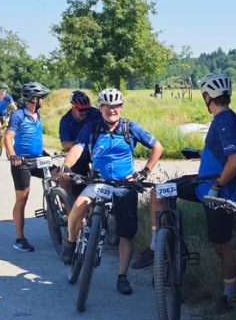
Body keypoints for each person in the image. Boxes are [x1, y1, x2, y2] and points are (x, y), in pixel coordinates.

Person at [135, 73, 236, 313]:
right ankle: (161, 245)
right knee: (160, 193)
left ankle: (229, 297)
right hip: (201, 185)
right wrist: (201, 154)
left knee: (221, 245)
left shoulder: (224, 120)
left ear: (207, 97)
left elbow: (235, 161)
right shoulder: (224, 119)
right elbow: (222, 154)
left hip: (216, 193)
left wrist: (216, 187)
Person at [59, 88, 163, 296]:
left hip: (125, 184)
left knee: (127, 232)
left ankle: (122, 277)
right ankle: (71, 244)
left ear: (121, 107)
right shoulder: (91, 127)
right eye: (107, 106)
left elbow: (157, 147)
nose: (111, 110)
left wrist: (144, 172)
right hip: (98, 181)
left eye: (115, 106)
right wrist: (66, 167)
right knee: (78, 208)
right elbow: (77, 149)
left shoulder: (130, 127)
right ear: (101, 108)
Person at [5, 82, 51, 252]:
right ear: (34, 99)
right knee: (22, 198)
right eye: (42, 98)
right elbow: (8, 137)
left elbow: (35, 138)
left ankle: (66, 223)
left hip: (39, 159)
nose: (43, 101)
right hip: (22, 163)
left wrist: (44, 152)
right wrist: (13, 156)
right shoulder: (18, 115)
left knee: (61, 177)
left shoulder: (38, 115)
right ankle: (19, 239)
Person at [57, 90, 102, 197]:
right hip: (79, 154)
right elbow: (65, 144)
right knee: (76, 186)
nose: (85, 112)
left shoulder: (94, 113)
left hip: (95, 150)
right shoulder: (66, 120)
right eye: (81, 110)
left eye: (87, 109)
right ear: (73, 107)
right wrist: (81, 144)